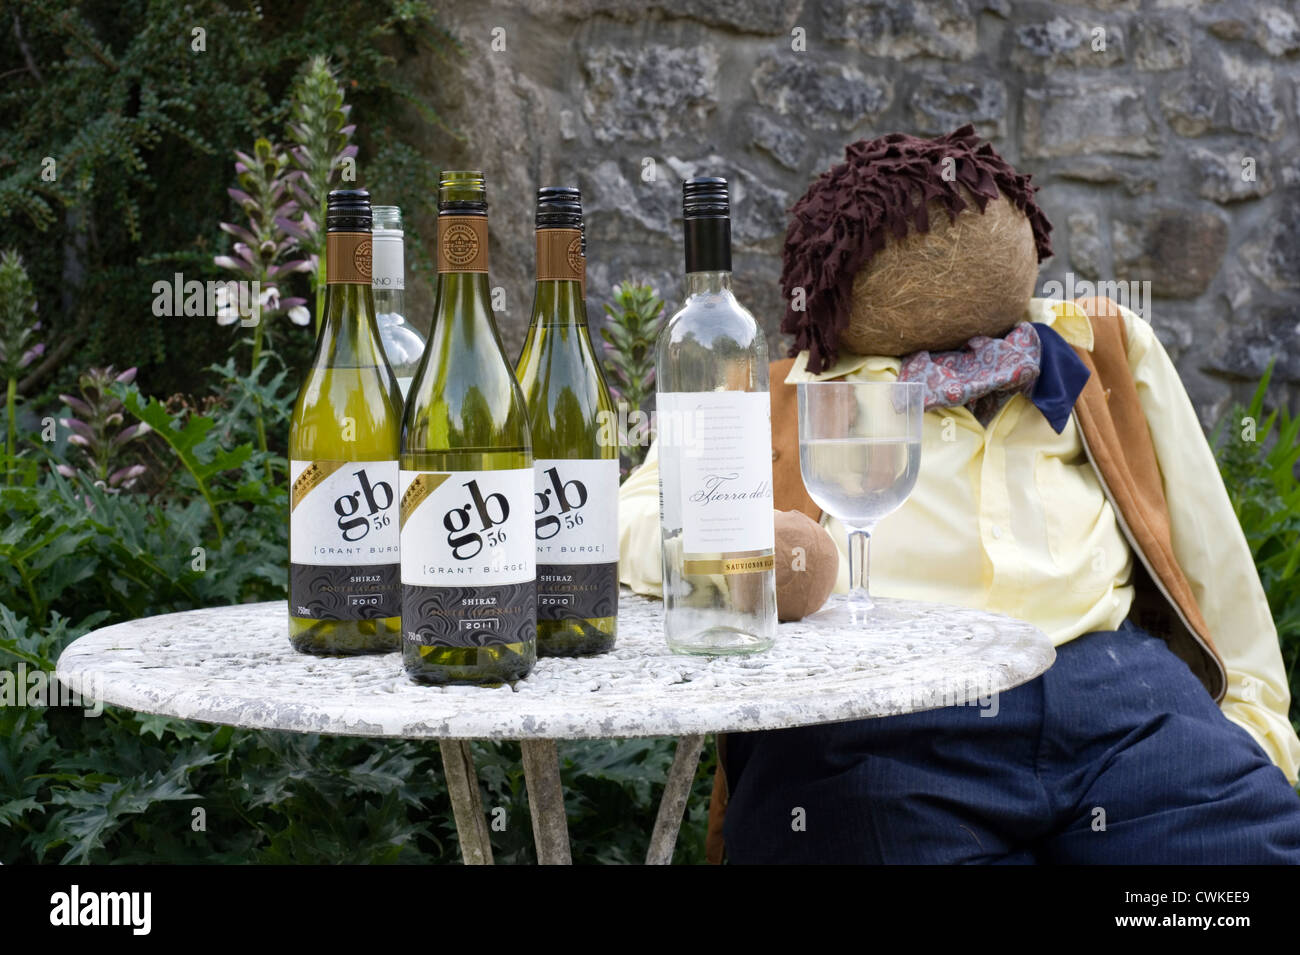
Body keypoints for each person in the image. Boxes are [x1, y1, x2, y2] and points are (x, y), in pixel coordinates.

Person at [617, 129, 1300, 864]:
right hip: (881, 717)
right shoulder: (786, 389)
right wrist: (752, 555)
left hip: (1120, 704)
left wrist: (1257, 727)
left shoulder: (1101, 344)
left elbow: (1211, 550)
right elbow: (634, 516)